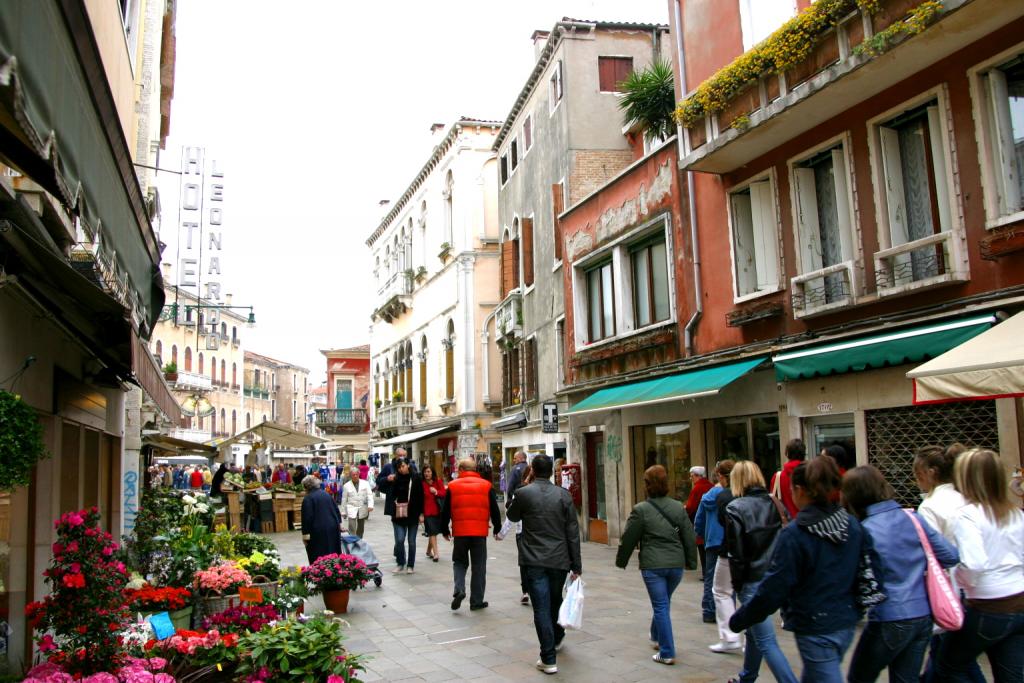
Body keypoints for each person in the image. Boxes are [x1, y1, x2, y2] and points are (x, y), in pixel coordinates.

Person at [729, 455, 875, 683]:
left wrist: (741, 618)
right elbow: (869, 570)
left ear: (800, 490)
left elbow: (774, 588)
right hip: (845, 620)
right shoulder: (852, 525)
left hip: (815, 624)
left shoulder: (796, 535)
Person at [842, 465, 959, 683]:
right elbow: (951, 556)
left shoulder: (864, 530)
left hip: (889, 615)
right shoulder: (914, 518)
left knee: (859, 676)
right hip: (923, 615)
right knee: (907, 679)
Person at [937, 448, 1024, 682]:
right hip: (1019, 601)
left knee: (947, 665)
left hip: (988, 605)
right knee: (1012, 674)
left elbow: (974, 564)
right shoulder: (1016, 513)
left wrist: (962, 580)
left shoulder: (968, 516)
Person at [616, 465, 698, 666]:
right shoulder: (678, 507)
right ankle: (655, 636)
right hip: (675, 565)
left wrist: (621, 560)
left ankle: (667, 651)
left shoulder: (641, 510)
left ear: (647, 485)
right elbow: (689, 535)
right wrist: (691, 561)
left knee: (661, 605)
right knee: (663, 602)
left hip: (653, 565)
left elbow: (629, 538)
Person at [506, 455, 582, 676]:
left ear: (532, 471)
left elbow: (511, 514)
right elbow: (572, 533)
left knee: (541, 607)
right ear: (551, 472)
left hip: (534, 559)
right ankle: (556, 639)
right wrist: (576, 565)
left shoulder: (523, 493)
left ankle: (548, 657)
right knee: (555, 602)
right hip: (559, 559)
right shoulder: (563, 495)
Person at [723, 460, 797, 683]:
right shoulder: (775, 503)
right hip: (776, 576)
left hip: (753, 579)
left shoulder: (735, 508)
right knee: (754, 630)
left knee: (766, 640)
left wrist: (738, 585)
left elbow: (736, 554)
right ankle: (747, 677)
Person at [440, 458, 502, 610]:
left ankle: (459, 589)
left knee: (459, 562)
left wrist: (444, 529)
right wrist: (497, 527)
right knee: (479, 566)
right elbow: (495, 509)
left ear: (461, 469)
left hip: (460, 532)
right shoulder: (486, 486)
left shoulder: (452, 486)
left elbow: (445, 511)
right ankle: (476, 601)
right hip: (479, 533)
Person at [696, 459, 742, 653]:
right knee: (732, 583)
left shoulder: (711, 495)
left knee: (713, 580)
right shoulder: (737, 494)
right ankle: (734, 619)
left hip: (713, 540)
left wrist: (700, 532)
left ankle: (708, 611)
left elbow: (699, 517)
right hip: (731, 542)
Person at [387, 459, 424, 574]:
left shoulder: (416, 478)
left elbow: (421, 496)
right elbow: (391, 494)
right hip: (398, 514)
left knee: (411, 541)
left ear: (408, 465)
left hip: (412, 514)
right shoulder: (396, 478)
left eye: (403, 466)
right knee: (399, 540)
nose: (401, 469)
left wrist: (421, 514)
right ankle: (400, 562)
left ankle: (410, 565)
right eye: (399, 467)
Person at [685, 465, 714, 605]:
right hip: (712, 524)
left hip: (701, 523)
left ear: (696, 475)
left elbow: (691, 507)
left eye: (691, 476)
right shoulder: (711, 486)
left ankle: (706, 573)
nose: (691, 478)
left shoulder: (697, 488)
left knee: (702, 549)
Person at [300, 474, 342, 564]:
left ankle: (320, 573)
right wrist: (339, 524)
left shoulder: (308, 498)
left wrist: (305, 536)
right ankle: (335, 571)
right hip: (333, 527)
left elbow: (307, 518)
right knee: (333, 551)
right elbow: (336, 510)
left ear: (306, 487)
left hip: (318, 530)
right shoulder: (326, 494)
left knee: (318, 554)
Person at [506, 451, 530, 604]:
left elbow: (510, 517)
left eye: (515, 458)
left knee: (524, 560)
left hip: (522, 531)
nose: (513, 460)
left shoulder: (515, 472)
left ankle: (526, 590)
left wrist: (500, 534)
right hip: (541, 533)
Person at [769, 438, 806, 520]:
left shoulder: (778, 477)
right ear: (804, 453)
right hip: (811, 521)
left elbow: (773, 502)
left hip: (787, 523)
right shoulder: (811, 474)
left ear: (787, 453)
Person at [421, 465, 446, 562]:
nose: (426, 474)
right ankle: (436, 553)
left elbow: (443, 493)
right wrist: (421, 514)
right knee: (432, 531)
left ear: (432, 473)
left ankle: (428, 551)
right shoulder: (422, 484)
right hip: (427, 512)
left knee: (434, 532)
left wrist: (436, 492)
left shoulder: (438, 481)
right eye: (425, 472)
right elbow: (419, 500)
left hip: (438, 510)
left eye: (428, 471)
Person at [340, 466, 374, 537]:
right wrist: (343, 511)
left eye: (356, 474)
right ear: (350, 476)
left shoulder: (365, 483)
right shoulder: (346, 486)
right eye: (353, 475)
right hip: (351, 507)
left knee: (361, 527)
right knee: (352, 526)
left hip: (362, 507)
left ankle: (359, 540)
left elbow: (370, 495)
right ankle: (352, 540)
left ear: (359, 474)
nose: (355, 476)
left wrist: (370, 505)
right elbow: (344, 499)